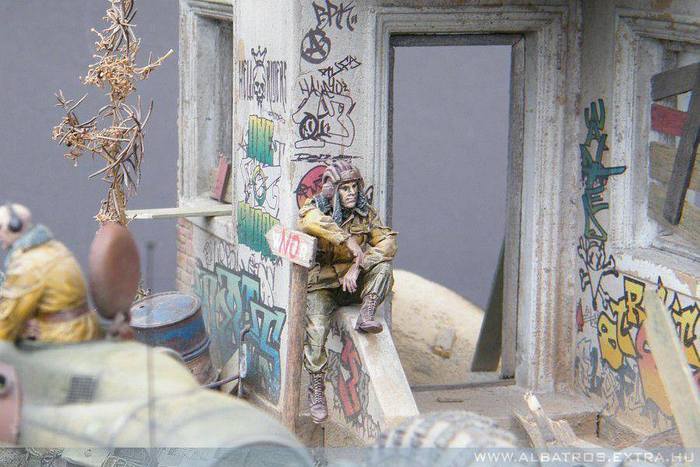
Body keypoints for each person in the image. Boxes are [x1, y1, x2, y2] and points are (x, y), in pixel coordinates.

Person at [298, 162, 397, 423]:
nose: (351, 193)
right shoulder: (316, 207)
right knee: (316, 329)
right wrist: (345, 239)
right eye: (345, 188)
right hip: (324, 285)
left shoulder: (366, 213)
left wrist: (358, 265)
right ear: (333, 190)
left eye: (354, 187)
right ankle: (316, 386)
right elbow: (309, 221)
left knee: (384, 268)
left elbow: (388, 242)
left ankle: (367, 313)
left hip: (353, 282)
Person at [0, 203, 101, 343]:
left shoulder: (28, 263)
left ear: (14, 226)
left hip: (61, 337)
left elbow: (9, 320)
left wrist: (17, 327)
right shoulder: (54, 247)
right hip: (84, 330)